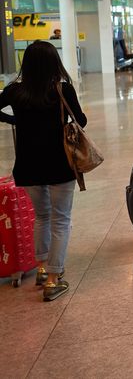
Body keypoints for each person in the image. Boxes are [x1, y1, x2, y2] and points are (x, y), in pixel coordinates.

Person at [0, 41, 85, 301]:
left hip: (28, 166)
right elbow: (80, 121)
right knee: (60, 219)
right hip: (60, 164)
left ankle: (40, 268)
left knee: (42, 216)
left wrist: (17, 120)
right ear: (53, 63)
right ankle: (52, 279)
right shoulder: (62, 89)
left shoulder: (15, 91)